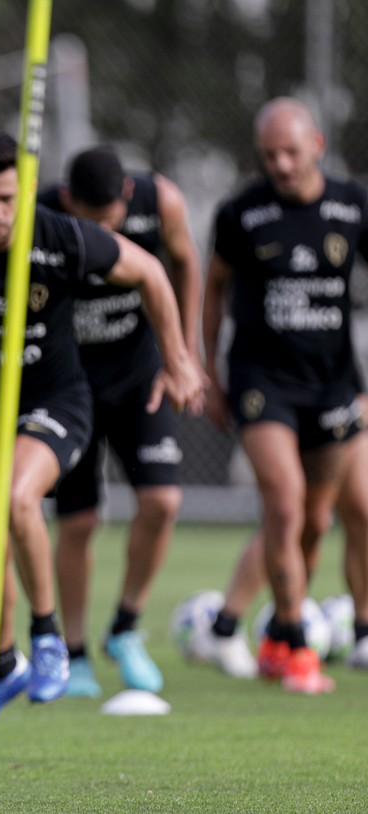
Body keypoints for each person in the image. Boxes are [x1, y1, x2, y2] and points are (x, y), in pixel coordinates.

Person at [0, 131, 203, 733]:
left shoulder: (61, 235)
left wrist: (180, 358)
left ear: (28, 191)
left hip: (55, 401)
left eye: (7, 198)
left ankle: (49, 639)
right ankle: (5, 664)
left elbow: (153, 274)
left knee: (17, 497)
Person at [201, 96, 368, 694]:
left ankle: (270, 640)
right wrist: (208, 371)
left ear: (316, 145)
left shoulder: (353, 205)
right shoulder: (241, 213)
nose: (281, 164)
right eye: (269, 154)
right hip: (260, 384)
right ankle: (298, 645)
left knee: (318, 522)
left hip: (332, 386)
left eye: (291, 152)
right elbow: (214, 287)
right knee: (286, 503)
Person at [36, 145, 202, 697]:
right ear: (67, 201)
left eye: (109, 224)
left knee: (162, 501)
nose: (101, 236)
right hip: (70, 387)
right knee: (79, 522)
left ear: (127, 197)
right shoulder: (39, 214)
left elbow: (182, 264)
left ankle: (127, 628)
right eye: (90, 222)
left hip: (138, 378)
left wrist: (183, 356)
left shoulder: (162, 201)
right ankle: (76, 654)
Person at [187, 424, 368, 677]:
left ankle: (358, 635)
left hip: (331, 398)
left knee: (324, 518)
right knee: (285, 514)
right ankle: (248, 632)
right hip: (275, 392)